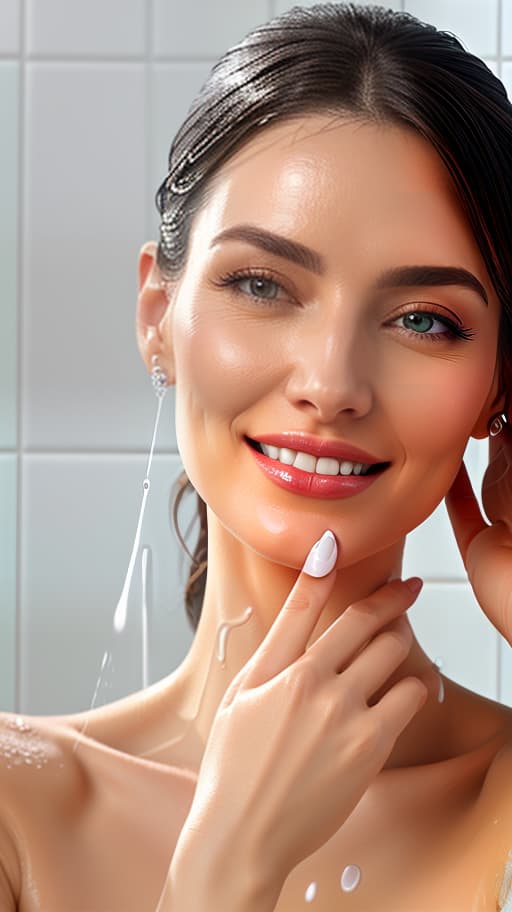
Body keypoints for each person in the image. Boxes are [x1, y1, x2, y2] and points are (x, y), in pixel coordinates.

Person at [2, 2, 512, 910]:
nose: (332, 382)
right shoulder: (17, 809)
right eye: (262, 284)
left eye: (424, 319)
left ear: (500, 383)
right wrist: (227, 869)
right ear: (158, 316)